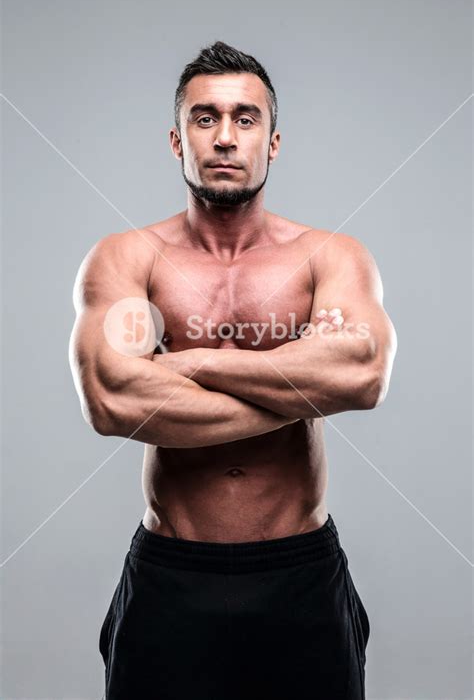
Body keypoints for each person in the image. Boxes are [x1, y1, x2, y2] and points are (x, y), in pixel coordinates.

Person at [69, 40, 397, 700]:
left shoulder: (327, 256)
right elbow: (111, 396)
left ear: (272, 143)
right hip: (172, 573)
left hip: (299, 571)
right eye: (205, 118)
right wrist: (299, 384)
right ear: (177, 139)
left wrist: (188, 362)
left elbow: (361, 372)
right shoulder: (128, 258)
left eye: (245, 119)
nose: (224, 137)